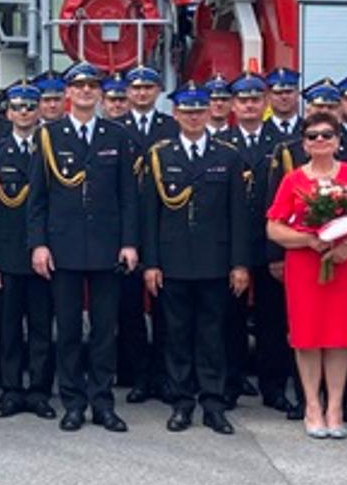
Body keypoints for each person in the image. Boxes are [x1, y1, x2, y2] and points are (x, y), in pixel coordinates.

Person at [29, 62, 140, 433]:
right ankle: (73, 402)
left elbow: (128, 197)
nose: (86, 92)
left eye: (93, 86)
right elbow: (38, 200)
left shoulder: (116, 135)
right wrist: (39, 245)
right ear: (68, 94)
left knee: (105, 329)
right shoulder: (49, 137)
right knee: (70, 329)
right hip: (64, 247)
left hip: (107, 247)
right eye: (79, 86)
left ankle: (103, 402)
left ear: (100, 93)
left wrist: (128, 242)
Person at [137, 86, 252, 435]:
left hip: (215, 262)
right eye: (187, 111)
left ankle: (214, 404)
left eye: (199, 111)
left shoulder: (228, 156)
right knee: (176, 334)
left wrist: (239, 264)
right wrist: (151, 264)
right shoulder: (160, 156)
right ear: (175, 115)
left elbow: (238, 217)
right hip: (172, 262)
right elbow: (149, 217)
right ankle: (182, 402)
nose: (193, 116)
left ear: (210, 114)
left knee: (212, 335)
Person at [265, 110, 347, 438]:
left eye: (326, 135)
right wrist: (307, 240)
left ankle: (335, 408)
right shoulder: (293, 179)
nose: (320, 141)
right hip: (306, 265)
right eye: (313, 136)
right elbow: (273, 227)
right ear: (304, 143)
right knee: (308, 338)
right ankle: (312, 406)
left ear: (338, 141)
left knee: (339, 337)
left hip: (345, 263)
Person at [218, 74, 296, 415]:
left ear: (264, 103)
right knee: (229, 320)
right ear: (233, 106)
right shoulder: (221, 143)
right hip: (230, 245)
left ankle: (274, 388)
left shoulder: (285, 144)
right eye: (242, 100)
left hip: (270, 246)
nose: (249, 105)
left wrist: (278, 254)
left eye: (255, 99)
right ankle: (230, 384)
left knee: (273, 321)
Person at [0, 83, 56, 420]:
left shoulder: (53, 149)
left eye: (30, 107)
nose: (24, 113)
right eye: (18, 107)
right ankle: (10, 390)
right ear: (8, 113)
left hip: (44, 257)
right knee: (7, 329)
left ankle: (39, 391)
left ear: (39, 111)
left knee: (41, 329)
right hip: (6, 257)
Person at [111, 65, 175, 406]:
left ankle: (164, 376)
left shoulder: (172, 126)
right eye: (134, 89)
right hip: (127, 230)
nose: (140, 94)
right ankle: (138, 376)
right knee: (129, 309)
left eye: (148, 88)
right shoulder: (114, 129)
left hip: (165, 229)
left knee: (166, 310)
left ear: (157, 92)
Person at [263, 69, 304, 143]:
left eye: (289, 92)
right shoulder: (259, 132)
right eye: (278, 93)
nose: (284, 97)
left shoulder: (309, 130)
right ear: (268, 96)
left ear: (297, 94)